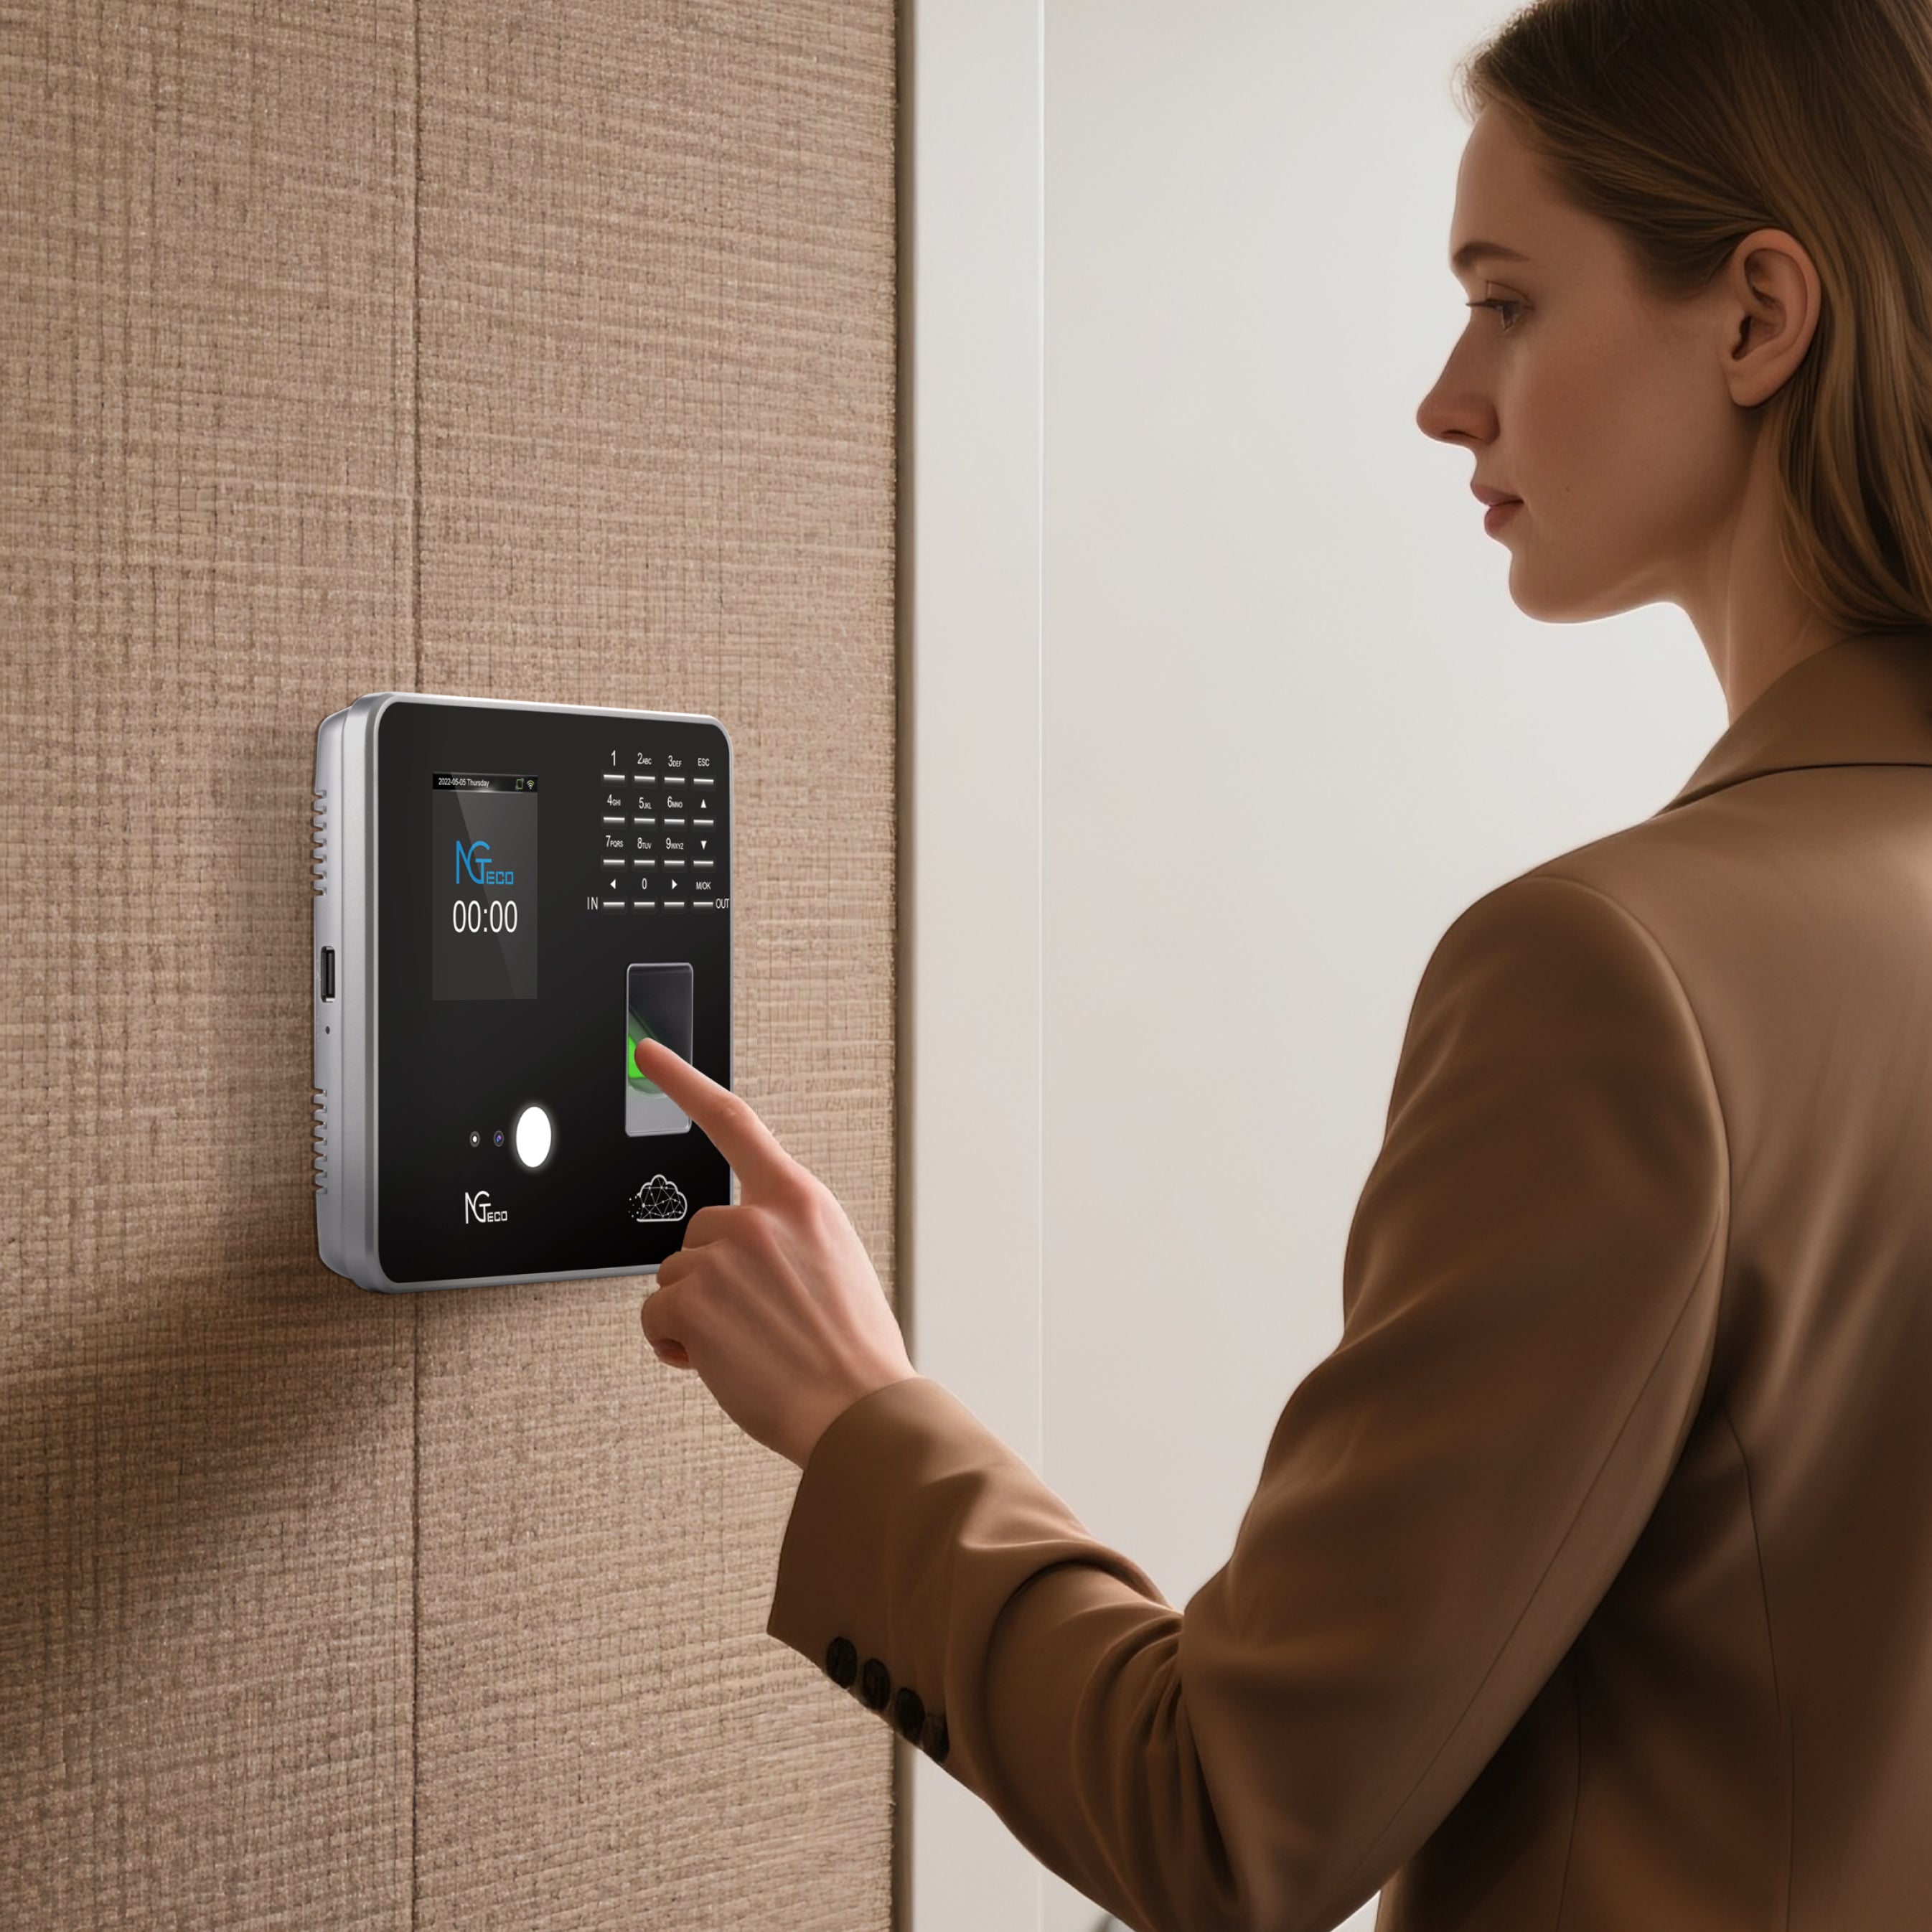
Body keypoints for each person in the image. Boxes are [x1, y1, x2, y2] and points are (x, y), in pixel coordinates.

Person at [638, 1, 1932, 1925]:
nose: (1443, 393)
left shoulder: (1619, 975)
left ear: (1756, 317)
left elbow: (1230, 1816)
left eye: (1505, 300)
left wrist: (858, 1412)